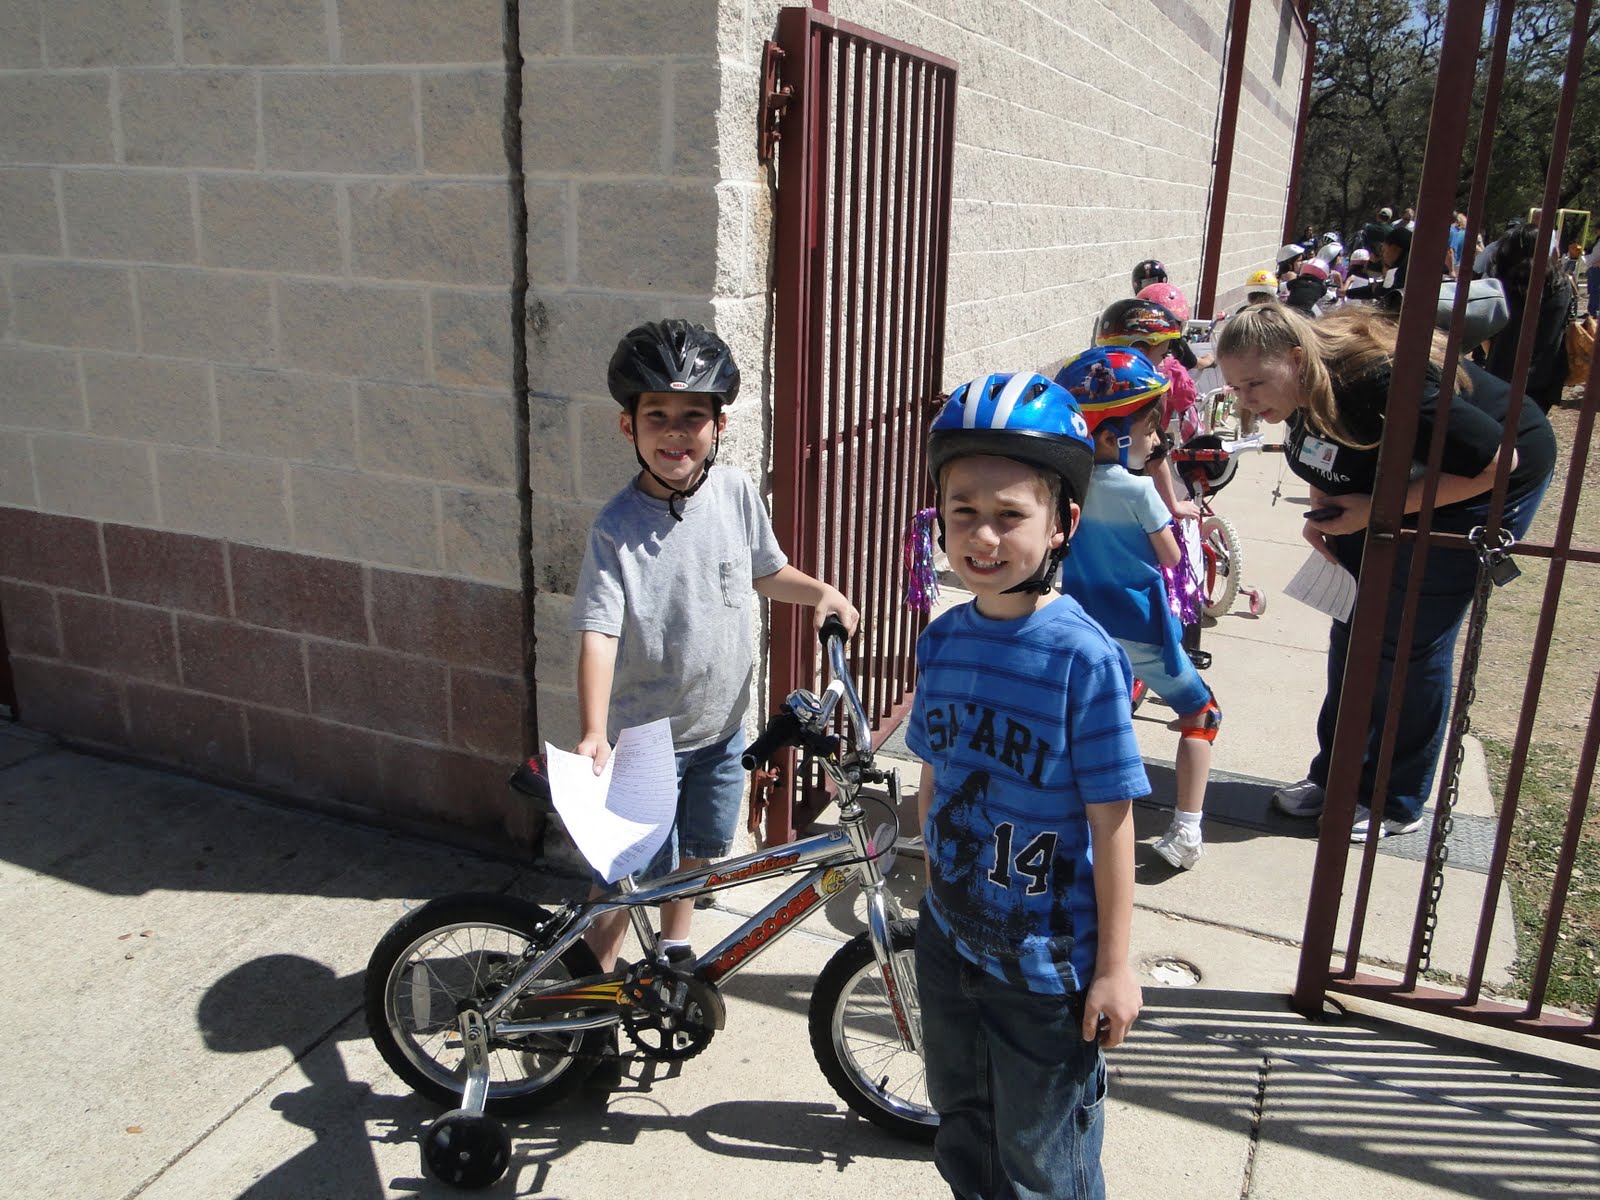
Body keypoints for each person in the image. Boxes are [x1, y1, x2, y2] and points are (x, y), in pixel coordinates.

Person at [909, 369, 1145, 1200]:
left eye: (1011, 515)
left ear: (1061, 525)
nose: (983, 535)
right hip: (950, 943)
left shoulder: (1084, 659)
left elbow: (1112, 819)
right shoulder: (941, 642)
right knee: (963, 1132)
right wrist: (932, 882)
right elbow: (936, 777)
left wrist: (1114, 967)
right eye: (964, 511)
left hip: (1045, 976)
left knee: (1043, 1164)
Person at [573, 319, 857, 969]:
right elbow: (599, 629)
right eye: (658, 416)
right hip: (646, 740)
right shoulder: (616, 528)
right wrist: (594, 728)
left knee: (698, 851)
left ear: (719, 426)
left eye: (693, 417)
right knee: (623, 872)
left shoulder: (733, 493)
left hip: (723, 729)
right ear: (629, 427)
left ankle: (675, 945)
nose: (676, 432)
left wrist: (821, 595)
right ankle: (589, 985)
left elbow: (762, 570)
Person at [1215, 304, 1555, 839]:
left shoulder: (1378, 383)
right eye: (1236, 388)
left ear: (1298, 359)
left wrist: (1376, 511)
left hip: (1481, 476)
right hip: (1405, 482)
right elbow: (1324, 452)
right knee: (1355, 626)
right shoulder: (1301, 387)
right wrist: (1324, 510)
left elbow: (1497, 461)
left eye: (1255, 383)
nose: (1247, 399)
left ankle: (1395, 799)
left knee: (1410, 642)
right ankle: (1337, 776)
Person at [1056, 347, 1221, 871]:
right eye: (1150, 432)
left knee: (1095, 719)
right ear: (1111, 436)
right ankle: (1187, 831)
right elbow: (1170, 557)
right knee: (1203, 715)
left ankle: (1073, 814)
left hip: (1086, 626)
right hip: (1142, 627)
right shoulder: (1138, 491)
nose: (1156, 445)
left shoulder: (1069, 486)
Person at [1484, 222, 1574, 413]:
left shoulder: (1503, 283)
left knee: (1501, 433)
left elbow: (1487, 333)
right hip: (1544, 375)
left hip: (1502, 372)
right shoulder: (1563, 284)